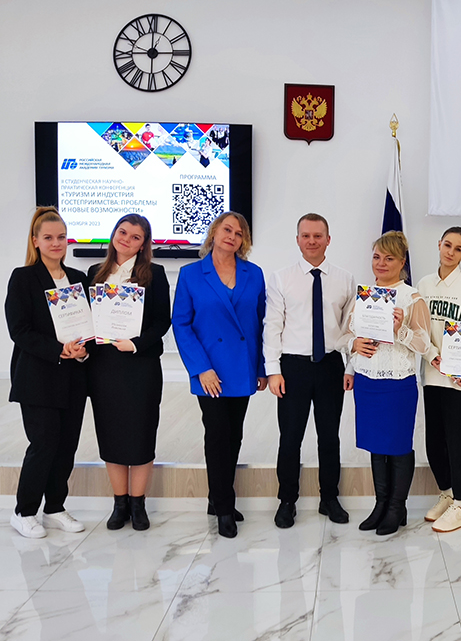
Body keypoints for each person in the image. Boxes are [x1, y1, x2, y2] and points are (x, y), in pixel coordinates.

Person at [172, 211, 267, 539]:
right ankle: (225, 507)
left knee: (234, 435)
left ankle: (217, 496)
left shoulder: (254, 274)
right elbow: (181, 324)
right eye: (227, 229)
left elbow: (260, 324)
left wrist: (261, 368)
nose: (232, 236)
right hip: (209, 370)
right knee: (217, 434)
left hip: (241, 367)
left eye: (239, 233)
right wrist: (201, 368)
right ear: (214, 232)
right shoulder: (190, 274)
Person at [264, 213, 355, 529]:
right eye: (306, 235)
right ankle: (287, 501)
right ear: (297, 239)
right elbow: (272, 326)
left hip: (330, 365)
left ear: (328, 240)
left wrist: (350, 367)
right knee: (290, 438)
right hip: (293, 367)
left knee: (329, 437)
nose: (312, 241)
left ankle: (329, 498)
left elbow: (350, 329)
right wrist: (273, 370)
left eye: (318, 236)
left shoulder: (345, 279)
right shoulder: (281, 278)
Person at [5, 207, 89, 539]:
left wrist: (82, 351)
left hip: (73, 378)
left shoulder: (80, 279)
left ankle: (54, 507)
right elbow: (19, 330)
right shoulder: (23, 278)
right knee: (43, 444)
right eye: (49, 237)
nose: (56, 243)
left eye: (61, 237)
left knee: (66, 446)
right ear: (36, 241)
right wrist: (58, 350)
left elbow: (89, 327)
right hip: (37, 377)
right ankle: (24, 512)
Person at [86, 214, 171, 531]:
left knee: (141, 433)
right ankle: (119, 503)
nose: (127, 240)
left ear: (143, 244)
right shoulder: (95, 273)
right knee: (111, 435)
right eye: (122, 232)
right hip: (104, 368)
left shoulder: (154, 273)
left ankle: (138, 504)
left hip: (140, 365)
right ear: (113, 234)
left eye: (136, 237)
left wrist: (135, 344)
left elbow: (162, 321)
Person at [344, 231, 430, 536]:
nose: (381, 263)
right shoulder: (364, 296)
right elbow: (348, 336)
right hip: (367, 381)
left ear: (402, 262)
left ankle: (396, 507)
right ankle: (380, 505)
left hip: (397, 382)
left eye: (389, 258)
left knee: (398, 445)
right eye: (377, 257)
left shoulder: (412, 298)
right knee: (376, 446)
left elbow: (424, 344)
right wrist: (353, 351)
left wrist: (400, 328)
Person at [417, 227, 461, 533]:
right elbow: (419, 329)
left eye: (458, 249)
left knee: (460, 444)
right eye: (447, 245)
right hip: (433, 374)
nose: (450, 252)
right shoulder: (424, 284)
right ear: (439, 245)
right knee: (435, 443)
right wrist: (432, 355)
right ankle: (446, 493)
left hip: (459, 380)